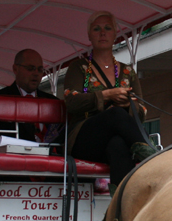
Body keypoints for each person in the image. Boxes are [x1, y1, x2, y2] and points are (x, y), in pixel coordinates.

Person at [63, 11, 155, 192]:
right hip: (84, 139)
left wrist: (128, 105)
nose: (102, 33)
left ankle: (120, 205)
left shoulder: (128, 71)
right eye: (96, 29)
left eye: (107, 28)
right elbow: (71, 102)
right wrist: (106, 95)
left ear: (115, 35)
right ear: (89, 35)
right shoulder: (78, 67)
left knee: (118, 144)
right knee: (114, 114)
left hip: (113, 140)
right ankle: (152, 158)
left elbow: (142, 110)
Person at [0, 49, 58, 145]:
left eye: (40, 69)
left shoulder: (53, 102)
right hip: (10, 157)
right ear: (15, 69)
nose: (36, 73)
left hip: (49, 157)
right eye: (30, 68)